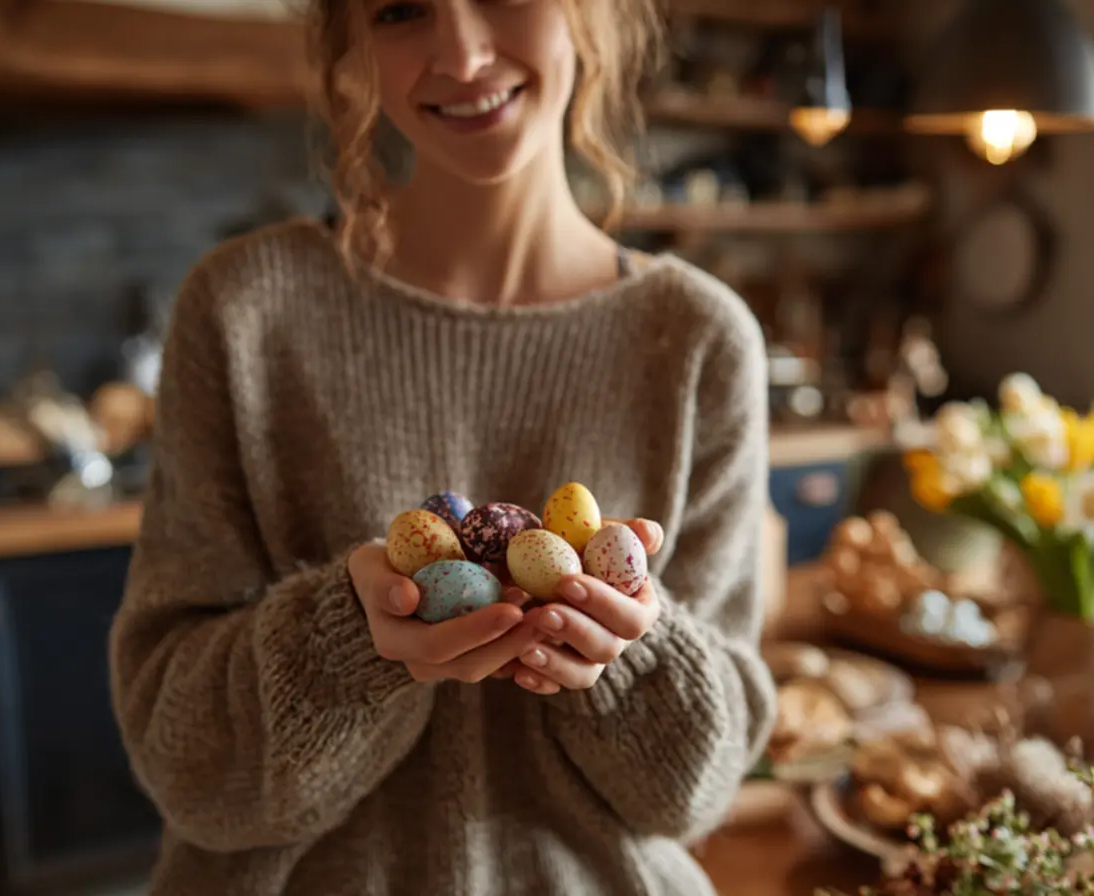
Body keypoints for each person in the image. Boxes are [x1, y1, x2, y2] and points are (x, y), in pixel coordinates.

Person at [107, 0, 778, 892]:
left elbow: (696, 793)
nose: (461, 54)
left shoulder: (696, 341)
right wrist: (352, 644)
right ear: (351, 44)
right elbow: (182, 760)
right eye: (401, 10)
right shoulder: (243, 314)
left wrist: (630, 650)